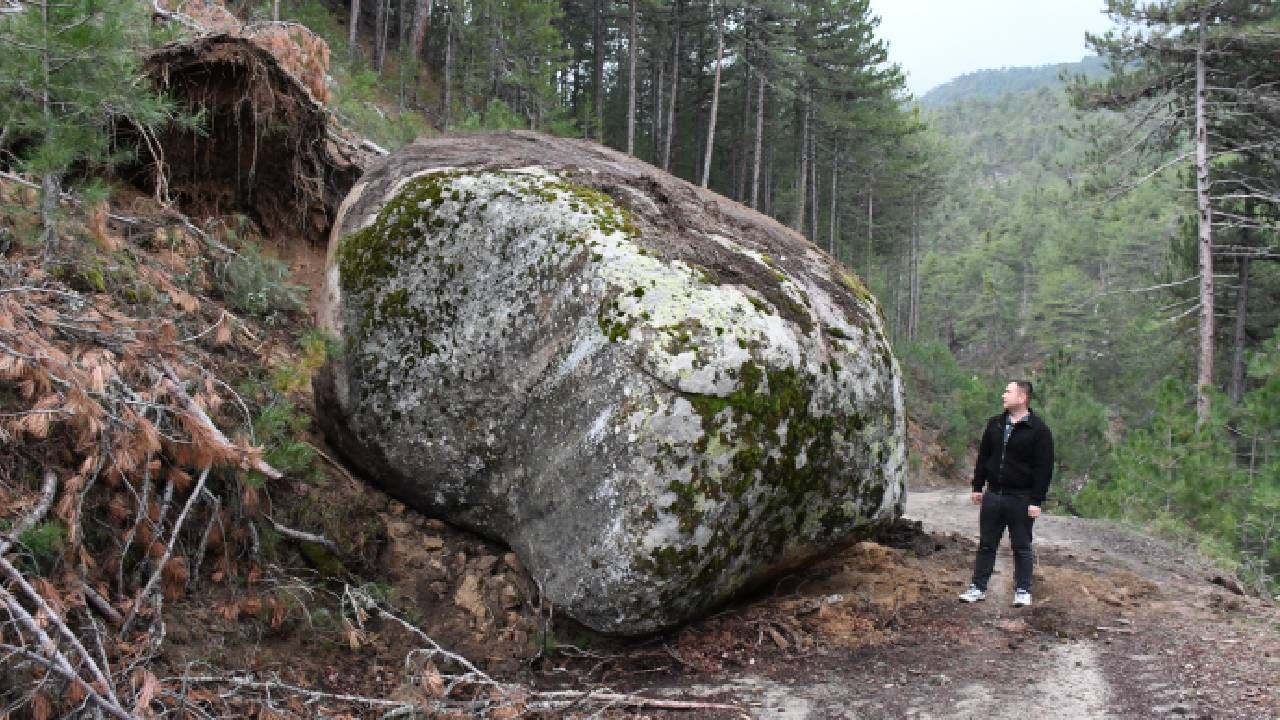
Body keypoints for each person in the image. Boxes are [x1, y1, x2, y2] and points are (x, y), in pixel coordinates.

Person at [958, 380, 1054, 607]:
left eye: (1008, 392)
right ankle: (977, 588)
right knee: (986, 544)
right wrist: (977, 486)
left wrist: (1036, 500)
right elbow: (983, 457)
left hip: (1021, 498)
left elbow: (1044, 469)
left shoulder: (1039, 431)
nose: (1003, 395)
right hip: (993, 495)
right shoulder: (995, 425)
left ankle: (1022, 590)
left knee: (1021, 545)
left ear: (1022, 398)